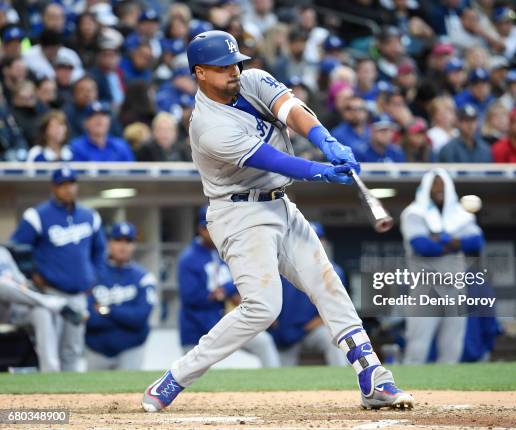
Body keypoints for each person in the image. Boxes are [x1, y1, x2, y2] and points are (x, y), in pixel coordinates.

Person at [142, 30, 414, 412]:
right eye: (222, 68)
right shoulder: (207, 125)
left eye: (235, 63)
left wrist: (325, 139)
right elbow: (273, 160)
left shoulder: (251, 79)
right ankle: (177, 376)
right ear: (200, 73)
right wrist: (320, 170)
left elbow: (291, 109)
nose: (233, 71)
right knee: (263, 307)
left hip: (280, 204)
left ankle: (373, 377)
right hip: (238, 214)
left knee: (327, 283)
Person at [9, 167, 106, 372]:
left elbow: (100, 251)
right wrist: (32, 274)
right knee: (50, 348)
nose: (68, 188)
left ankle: (69, 396)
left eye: (71, 183)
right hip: (51, 294)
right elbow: (15, 249)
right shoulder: (37, 215)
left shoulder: (89, 215)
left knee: (72, 349)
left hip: (78, 295)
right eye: (63, 184)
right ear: (54, 187)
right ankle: (49, 396)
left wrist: (93, 278)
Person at [400, 169, 484, 364]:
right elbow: (423, 246)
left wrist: (443, 240)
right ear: (426, 187)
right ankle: (408, 392)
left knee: (452, 349)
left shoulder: (460, 215)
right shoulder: (414, 212)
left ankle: (448, 394)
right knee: (417, 349)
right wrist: (455, 243)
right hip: (426, 289)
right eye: (434, 184)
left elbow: (476, 242)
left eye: (442, 184)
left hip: (456, 288)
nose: (439, 188)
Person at [177, 207, 279, 366]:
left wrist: (224, 291)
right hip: (197, 327)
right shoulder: (188, 259)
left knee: (264, 343)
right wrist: (219, 294)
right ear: (201, 229)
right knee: (192, 374)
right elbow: (190, 297)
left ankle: (277, 388)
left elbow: (242, 279)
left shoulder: (228, 250)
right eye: (208, 227)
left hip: (226, 321)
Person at [270, 222, 347, 367]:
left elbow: (334, 312)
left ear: (323, 242)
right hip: (283, 332)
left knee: (333, 337)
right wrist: (275, 323)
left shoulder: (333, 271)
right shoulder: (281, 267)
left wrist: (303, 329)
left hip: (312, 331)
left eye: (316, 239)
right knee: (278, 372)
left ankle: (341, 380)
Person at [85, 222, 157, 370]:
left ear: (134, 245)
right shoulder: (91, 275)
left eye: (128, 241)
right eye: (118, 240)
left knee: (131, 393)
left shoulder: (144, 277)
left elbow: (139, 318)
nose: (123, 246)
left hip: (131, 349)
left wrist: (107, 310)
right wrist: (124, 316)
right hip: (96, 350)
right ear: (109, 243)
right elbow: (90, 319)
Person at [0, 244, 86, 326]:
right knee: (2, 286)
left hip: (15, 305)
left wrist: (23, 284)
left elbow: (20, 278)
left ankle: (51, 305)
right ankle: (54, 303)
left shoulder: (3, 252)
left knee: (42, 311)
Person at [70, 101, 134, 162]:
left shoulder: (121, 147)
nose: (99, 119)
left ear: (109, 121)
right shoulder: (75, 148)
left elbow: (132, 171)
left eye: (103, 115)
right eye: (94, 116)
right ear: (85, 123)